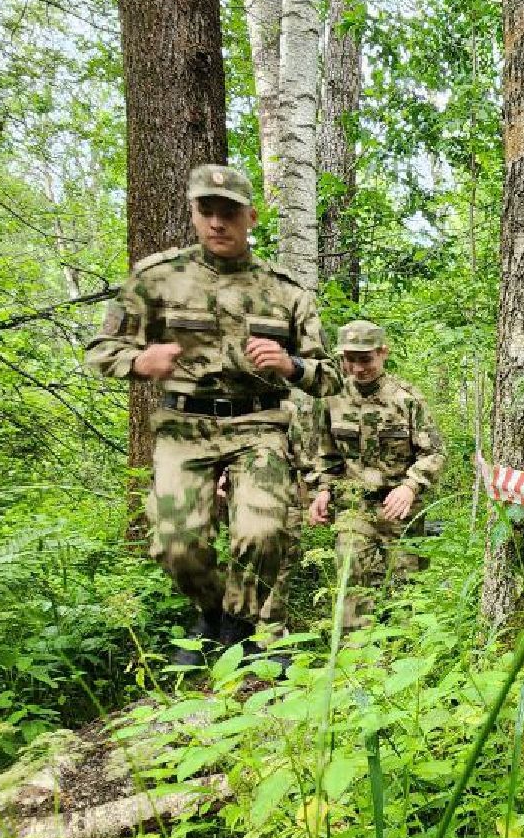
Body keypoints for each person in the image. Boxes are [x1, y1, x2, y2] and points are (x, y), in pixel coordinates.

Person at [85, 164, 347, 666]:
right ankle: (211, 614)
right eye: (207, 211)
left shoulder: (286, 291)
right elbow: (100, 350)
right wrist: (138, 361)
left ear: (251, 217)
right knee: (174, 543)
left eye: (229, 213)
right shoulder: (157, 279)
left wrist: (291, 365)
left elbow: (329, 376)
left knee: (264, 531)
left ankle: (240, 630)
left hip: (260, 426)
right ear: (193, 213)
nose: (217, 223)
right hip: (185, 428)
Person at [305, 320, 446, 630]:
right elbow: (326, 456)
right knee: (351, 580)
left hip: (400, 509)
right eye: (350, 360)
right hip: (354, 506)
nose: (357, 368)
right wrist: (323, 492)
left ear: (383, 353)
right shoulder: (332, 400)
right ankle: (356, 659)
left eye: (365, 359)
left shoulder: (407, 399)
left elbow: (434, 452)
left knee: (404, 590)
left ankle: (402, 656)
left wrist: (411, 486)